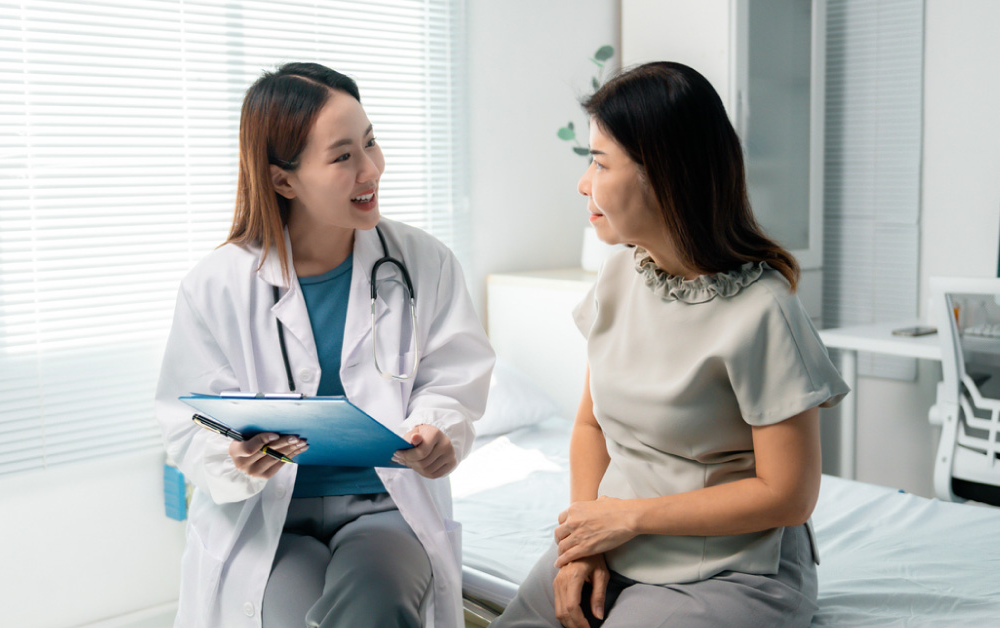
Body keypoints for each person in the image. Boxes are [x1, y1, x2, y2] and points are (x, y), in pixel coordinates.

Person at [492, 61, 849, 628]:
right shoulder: (619, 279)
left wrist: (627, 520)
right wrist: (585, 543)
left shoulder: (764, 311)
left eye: (599, 162)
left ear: (660, 176)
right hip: (618, 542)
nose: (583, 183)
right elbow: (589, 427)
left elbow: (789, 495)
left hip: (732, 566)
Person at [155, 62, 494, 628]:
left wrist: (440, 429)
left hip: (383, 505)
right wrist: (232, 454)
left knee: (376, 608)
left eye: (370, 143)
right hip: (268, 515)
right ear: (284, 180)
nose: (371, 169)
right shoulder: (216, 285)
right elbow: (186, 419)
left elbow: (453, 379)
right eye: (343, 157)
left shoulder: (423, 262)